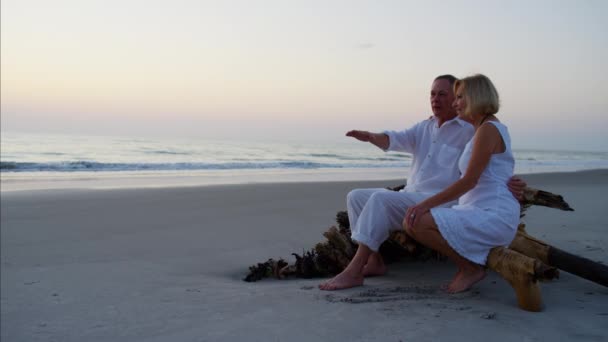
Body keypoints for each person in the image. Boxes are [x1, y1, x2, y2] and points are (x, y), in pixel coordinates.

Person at [319, 75, 525, 291]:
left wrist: (514, 181)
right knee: (356, 196)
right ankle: (374, 262)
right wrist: (371, 136)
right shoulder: (426, 127)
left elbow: (490, 165)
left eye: (445, 95)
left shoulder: (470, 129)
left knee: (380, 199)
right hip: (413, 195)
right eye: (432, 94)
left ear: (469, 98)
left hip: (443, 201)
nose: (436, 99)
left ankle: (354, 270)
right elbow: (395, 139)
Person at [404, 74, 520, 294]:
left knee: (416, 220)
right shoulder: (483, 128)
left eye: (459, 97)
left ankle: (470, 269)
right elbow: (497, 170)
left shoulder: (488, 129)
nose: (455, 103)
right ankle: (470, 266)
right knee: (412, 221)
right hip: (477, 209)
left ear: (475, 97)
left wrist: (424, 204)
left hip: (492, 214)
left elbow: (469, 181)